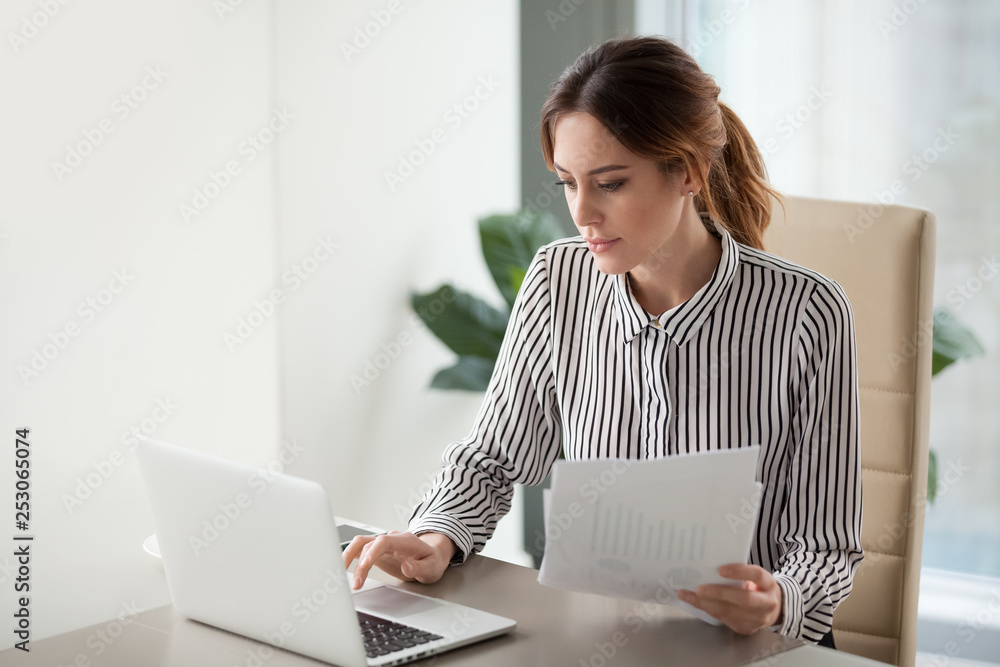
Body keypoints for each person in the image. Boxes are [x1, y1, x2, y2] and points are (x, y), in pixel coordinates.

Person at [344, 35, 863, 648]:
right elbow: (493, 458)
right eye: (568, 182)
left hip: (750, 649)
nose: (582, 212)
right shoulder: (557, 280)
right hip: (594, 641)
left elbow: (825, 546)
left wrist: (777, 601)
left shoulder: (808, 312)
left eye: (610, 184)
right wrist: (438, 535)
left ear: (689, 172)